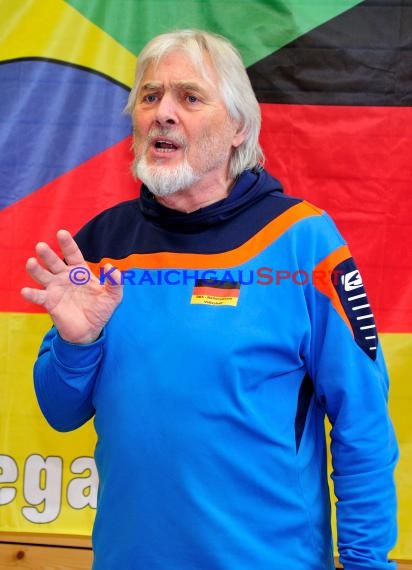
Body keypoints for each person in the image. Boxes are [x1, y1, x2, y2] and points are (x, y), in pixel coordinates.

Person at [22, 29, 398, 570]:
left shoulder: (303, 241)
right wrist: (78, 344)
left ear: (239, 127)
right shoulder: (101, 246)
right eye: (149, 97)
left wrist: (367, 564)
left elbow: (362, 421)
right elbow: (60, 412)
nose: (163, 113)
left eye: (189, 97)